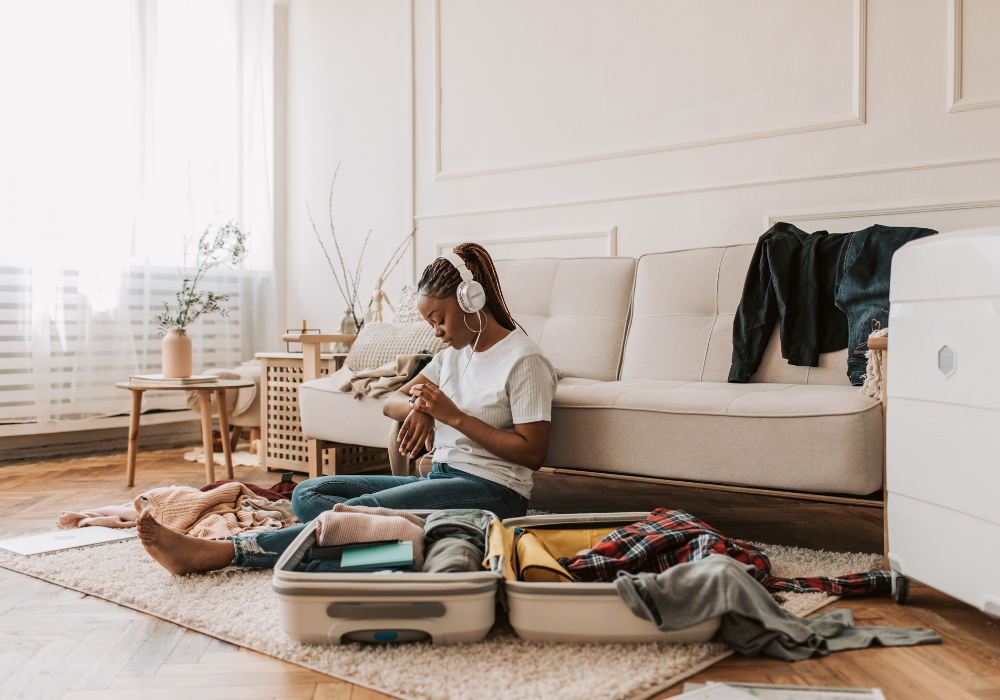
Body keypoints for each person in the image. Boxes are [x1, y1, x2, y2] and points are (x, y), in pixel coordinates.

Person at [137, 243, 559, 575]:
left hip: (493, 491)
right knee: (307, 493)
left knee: (362, 510)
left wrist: (453, 416)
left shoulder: (524, 360)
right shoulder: (453, 355)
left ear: (470, 301)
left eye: (439, 319)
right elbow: (393, 402)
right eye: (430, 322)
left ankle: (226, 553)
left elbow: (532, 453)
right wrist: (423, 409)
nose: (436, 332)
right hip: (443, 476)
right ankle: (385, 539)